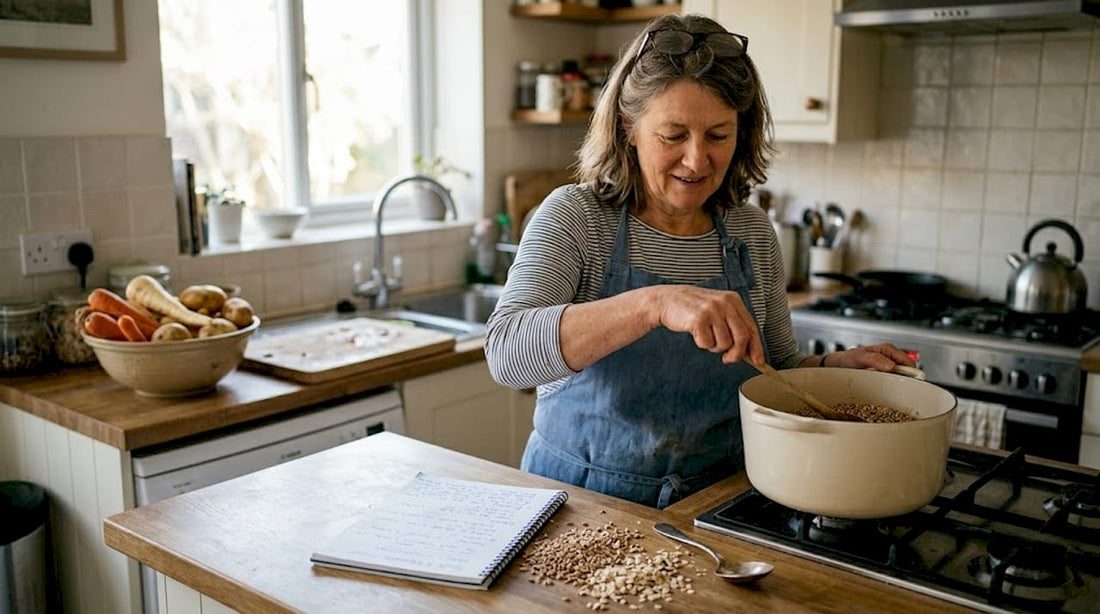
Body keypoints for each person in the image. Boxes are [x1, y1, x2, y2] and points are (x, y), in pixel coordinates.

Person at [484, 13, 915, 509]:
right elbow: (506, 354)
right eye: (673, 135)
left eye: (718, 135)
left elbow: (774, 370)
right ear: (629, 127)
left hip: (718, 505)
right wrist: (654, 304)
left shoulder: (751, 232)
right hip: (578, 505)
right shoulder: (577, 218)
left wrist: (834, 368)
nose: (696, 160)